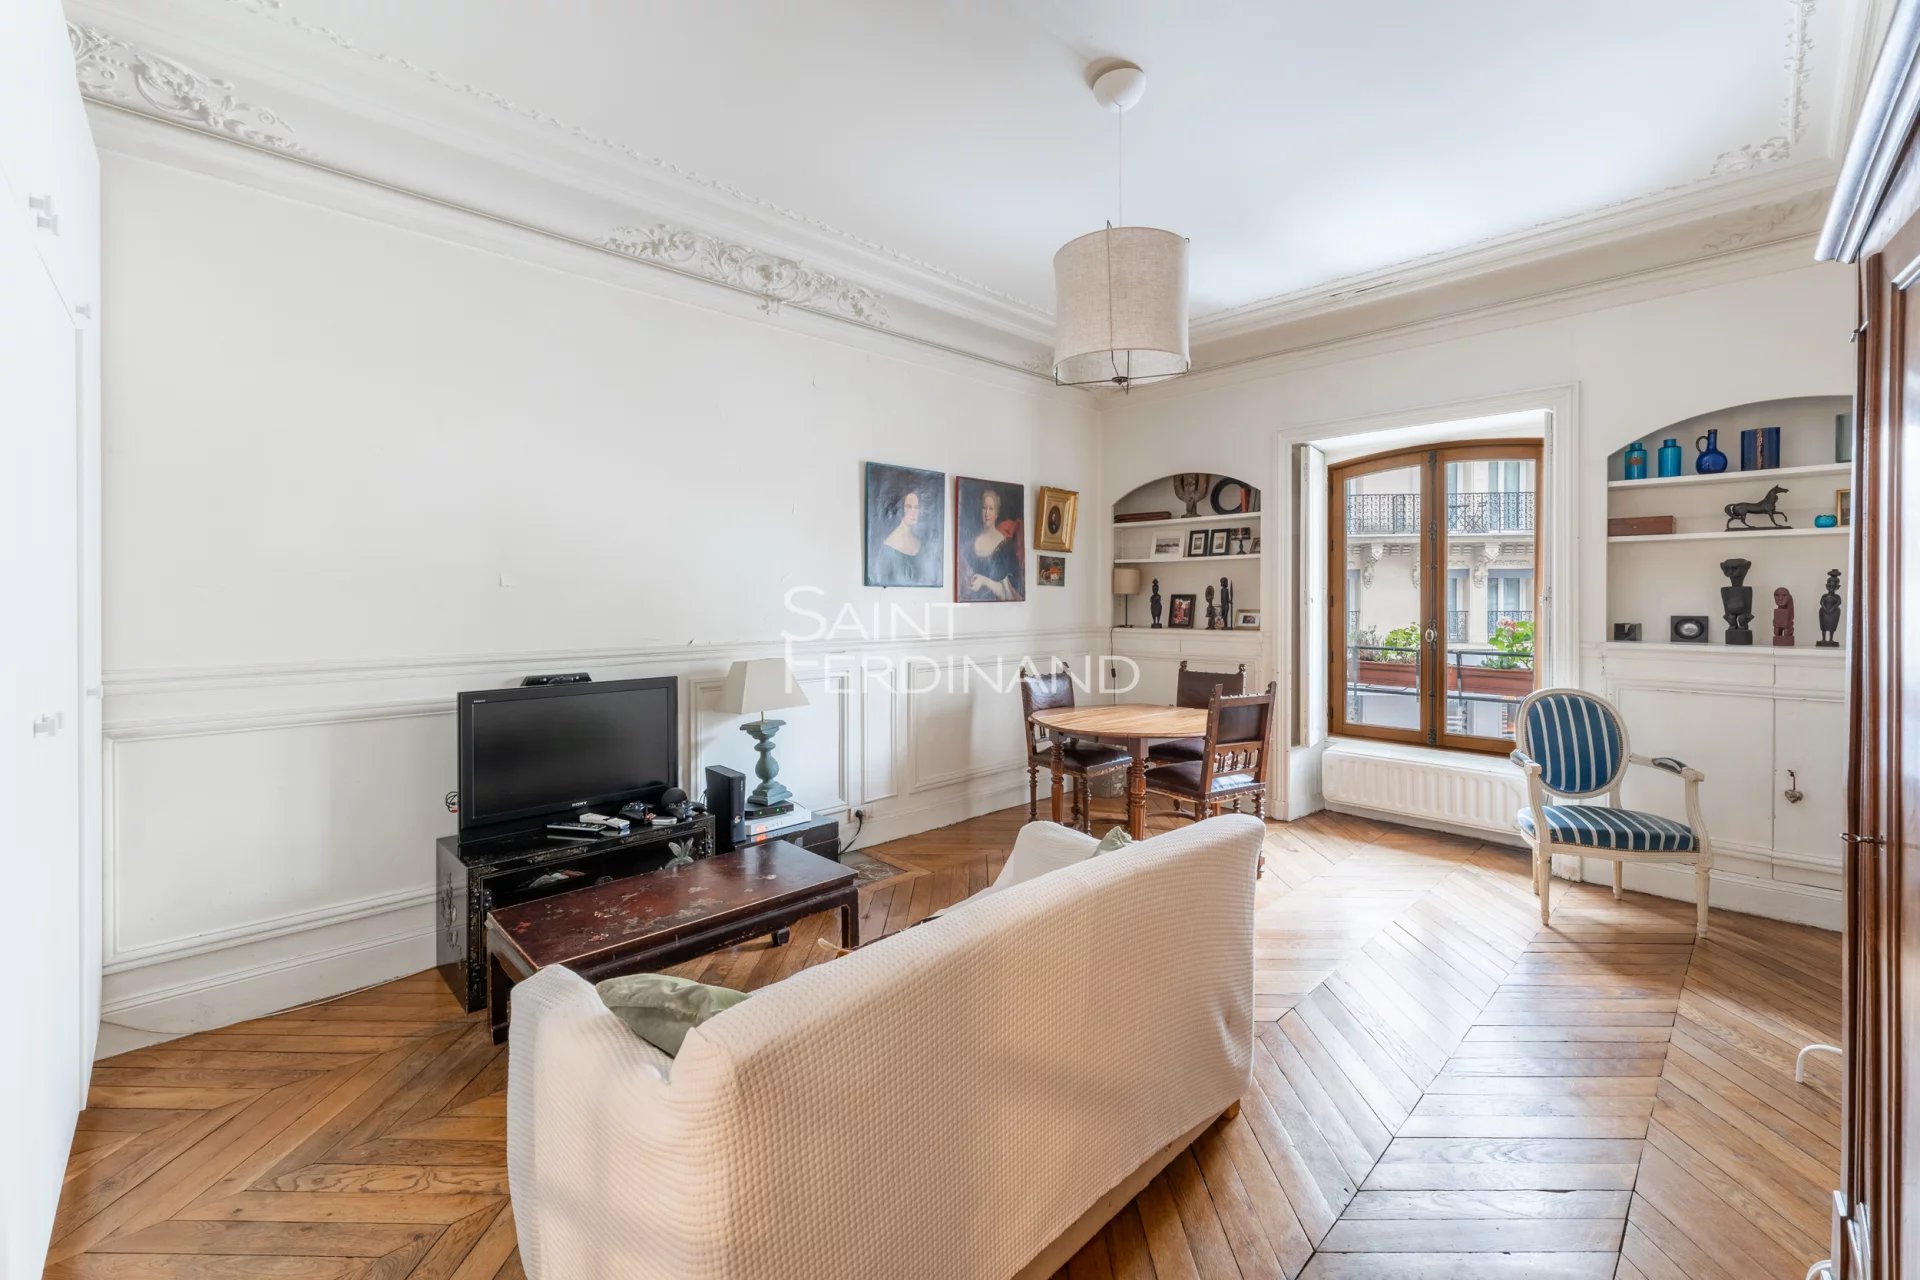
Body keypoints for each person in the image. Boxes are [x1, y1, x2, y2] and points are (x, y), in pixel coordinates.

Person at [870, 477, 938, 586]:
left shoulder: (922, 543)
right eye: (908, 507)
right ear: (900, 509)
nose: (913, 512)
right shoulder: (889, 546)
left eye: (916, 507)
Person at [959, 486, 1022, 602]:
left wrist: (984, 581)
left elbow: (1009, 592)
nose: (987, 513)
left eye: (991, 508)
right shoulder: (969, 546)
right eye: (984, 508)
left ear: (996, 514)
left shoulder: (1005, 546)